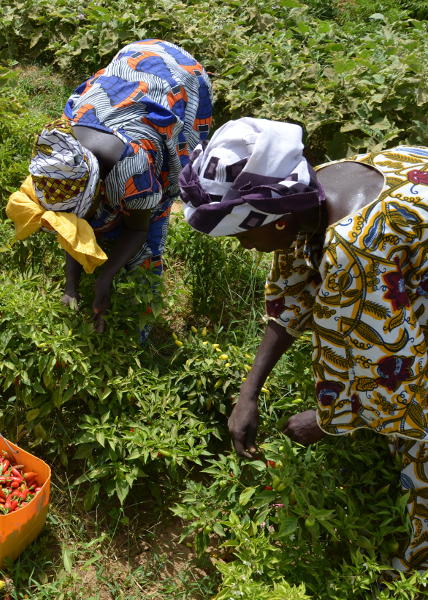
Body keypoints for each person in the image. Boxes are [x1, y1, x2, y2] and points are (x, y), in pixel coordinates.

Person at [178, 116, 428, 580]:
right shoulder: (314, 189)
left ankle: (410, 569)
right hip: (411, 269)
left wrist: (329, 420)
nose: (244, 248)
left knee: (420, 440)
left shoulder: (357, 250)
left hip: (404, 283)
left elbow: (393, 369)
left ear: (278, 224)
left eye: (242, 236)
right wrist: (249, 392)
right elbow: (295, 295)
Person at [6, 39, 213, 337]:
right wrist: (71, 287)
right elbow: (74, 221)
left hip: (182, 81)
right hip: (130, 71)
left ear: (98, 187)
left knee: (146, 235)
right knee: (104, 218)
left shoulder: (134, 171)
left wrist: (106, 278)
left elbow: (138, 229)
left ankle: (135, 331)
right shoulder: (59, 146)